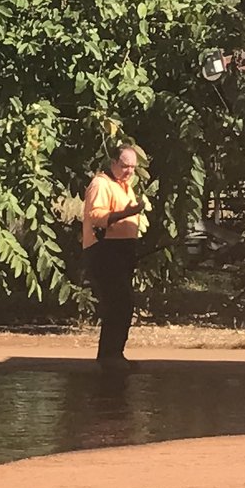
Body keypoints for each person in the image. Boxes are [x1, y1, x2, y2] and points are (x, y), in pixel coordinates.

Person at [81, 143, 148, 367]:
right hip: (105, 250)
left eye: (132, 167)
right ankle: (109, 356)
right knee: (117, 302)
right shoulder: (101, 183)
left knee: (124, 303)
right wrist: (127, 213)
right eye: (124, 165)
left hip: (122, 250)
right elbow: (97, 216)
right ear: (113, 163)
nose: (129, 171)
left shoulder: (125, 186)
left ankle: (115, 353)